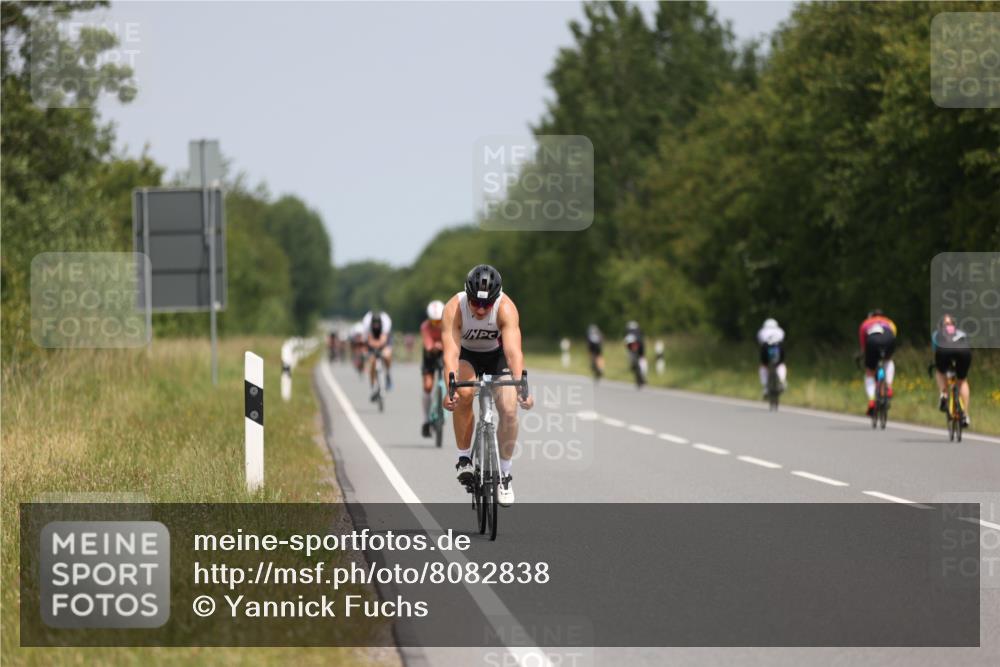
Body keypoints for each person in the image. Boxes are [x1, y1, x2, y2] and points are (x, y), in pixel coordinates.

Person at [442, 264, 534, 506]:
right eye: (476, 303)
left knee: (510, 409)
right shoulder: (455, 308)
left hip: (497, 357)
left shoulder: (506, 307)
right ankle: (464, 459)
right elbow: (450, 354)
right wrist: (448, 388)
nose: (481, 310)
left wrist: (523, 387)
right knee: (463, 392)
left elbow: (514, 352)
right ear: (467, 296)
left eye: (487, 305)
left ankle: (504, 473)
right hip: (467, 356)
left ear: (496, 299)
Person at [932, 314, 972, 428]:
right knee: (962, 380)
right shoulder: (961, 332)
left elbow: (936, 350)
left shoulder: (937, 333)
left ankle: (944, 394)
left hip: (944, 352)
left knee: (940, 371)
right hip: (964, 352)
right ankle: (965, 414)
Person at [858, 309, 897, 417]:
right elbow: (894, 336)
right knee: (888, 360)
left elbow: (863, 346)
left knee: (870, 372)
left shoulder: (865, 323)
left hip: (872, 341)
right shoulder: (889, 321)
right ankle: (888, 386)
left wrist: (864, 357)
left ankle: (872, 400)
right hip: (888, 338)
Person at [420, 300, 446, 437]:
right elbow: (428, 344)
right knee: (428, 386)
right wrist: (434, 346)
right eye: (433, 322)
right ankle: (425, 420)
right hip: (430, 355)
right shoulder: (425, 326)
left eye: (438, 321)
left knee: (451, 377)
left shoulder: (448, 323)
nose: (436, 324)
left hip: (445, 352)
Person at [362, 309, 393, 399]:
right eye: (374, 324)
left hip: (384, 339)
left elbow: (384, 339)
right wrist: (370, 349)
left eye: (377, 324)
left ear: (380, 323)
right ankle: (373, 387)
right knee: (372, 362)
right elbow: (369, 339)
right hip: (371, 339)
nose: (375, 326)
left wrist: (381, 348)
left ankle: (388, 374)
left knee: (387, 355)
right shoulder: (367, 324)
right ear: (371, 324)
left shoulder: (386, 323)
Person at [757, 318, 787, 397]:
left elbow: (761, 342)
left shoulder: (762, 331)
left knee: (763, 366)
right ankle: (782, 381)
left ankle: (766, 387)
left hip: (766, 349)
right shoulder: (780, 331)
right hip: (778, 348)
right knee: (781, 364)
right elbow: (782, 340)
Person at [624, 320, 647, 387]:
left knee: (634, 358)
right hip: (639, 345)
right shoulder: (638, 331)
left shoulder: (628, 331)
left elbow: (626, 343)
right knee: (642, 358)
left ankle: (639, 372)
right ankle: (643, 374)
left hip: (633, 346)